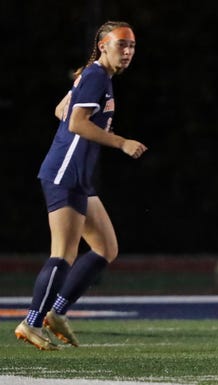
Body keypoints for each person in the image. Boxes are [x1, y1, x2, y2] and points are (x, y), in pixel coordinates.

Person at [14, 21, 147, 350]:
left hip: (78, 175)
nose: (127, 51)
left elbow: (61, 109)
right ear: (103, 45)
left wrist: (76, 92)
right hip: (65, 173)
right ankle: (31, 322)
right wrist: (120, 142)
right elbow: (74, 121)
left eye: (131, 46)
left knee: (106, 249)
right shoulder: (96, 76)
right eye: (121, 45)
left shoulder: (94, 76)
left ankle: (56, 313)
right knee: (63, 254)